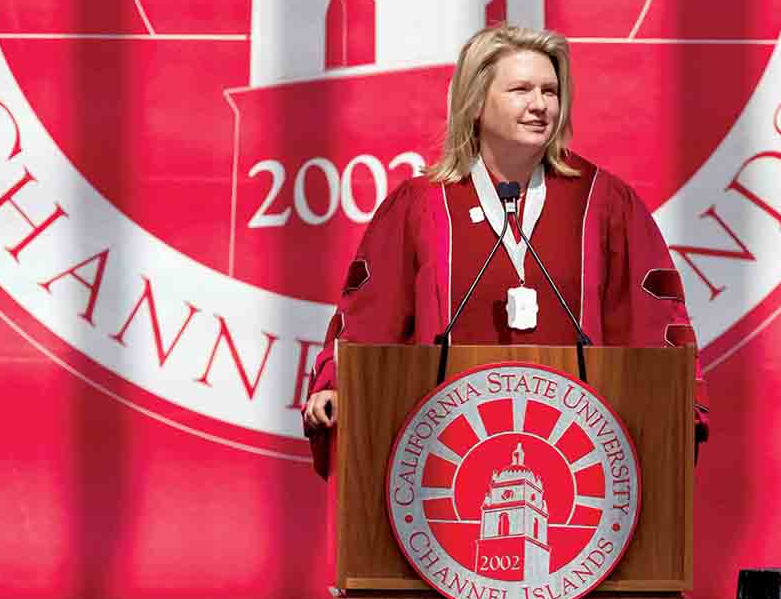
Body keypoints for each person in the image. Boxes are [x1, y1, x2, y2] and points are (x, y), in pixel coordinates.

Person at [302, 23, 707, 463]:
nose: (540, 106)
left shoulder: (604, 203)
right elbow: (369, 322)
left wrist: (679, 400)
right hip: (444, 455)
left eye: (550, 92)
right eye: (521, 90)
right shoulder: (420, 206)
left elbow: (654, 322)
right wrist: (337, 386)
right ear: (475, 102)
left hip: (580, 456)